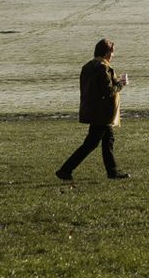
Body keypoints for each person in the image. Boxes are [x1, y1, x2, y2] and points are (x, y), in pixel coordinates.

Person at [56, 38, 131, 180]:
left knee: (106, 140)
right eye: (112, 52)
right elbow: (108, 91)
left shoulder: (88, 66)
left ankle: (112, 171)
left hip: (92, 109)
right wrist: (121, 84)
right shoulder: (103, 67)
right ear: (107, 53)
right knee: (92, 143)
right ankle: (65, 170)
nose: (113, 55)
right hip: (101, 112)